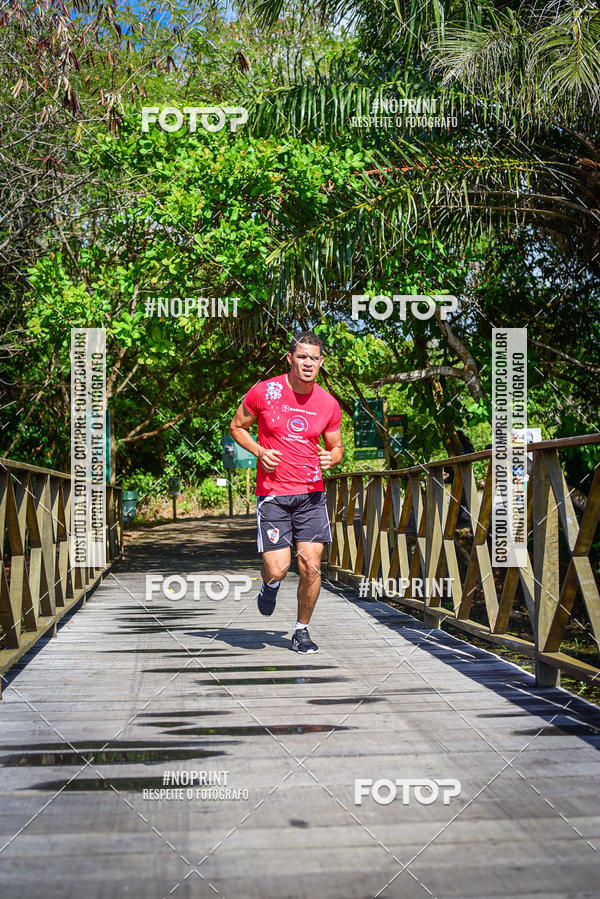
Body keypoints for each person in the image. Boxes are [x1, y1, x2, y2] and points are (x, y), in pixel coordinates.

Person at [229, 332, 343, 653]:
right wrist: (258, 451)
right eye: (302, 356)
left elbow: (336, 448)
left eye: (314, 358)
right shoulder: (265, 391)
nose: (308, 363)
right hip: (273, 493)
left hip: (311, 494)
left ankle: (301, 629)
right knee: (279, 566)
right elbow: (238, 426)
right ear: (290, 359)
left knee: (311, 565)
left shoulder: (327, 403)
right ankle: (270, 583)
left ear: (321, 363)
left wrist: (330, 458)